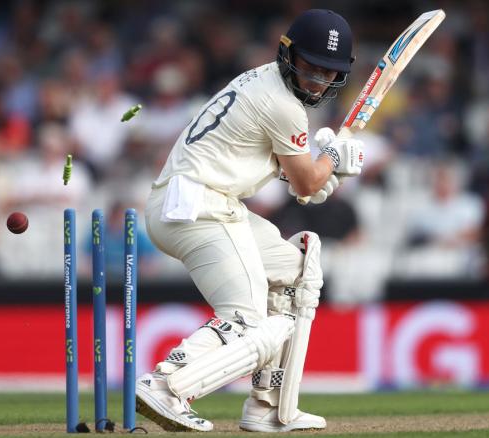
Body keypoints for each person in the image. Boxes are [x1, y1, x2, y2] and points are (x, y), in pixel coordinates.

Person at [136, 9, 364, 433]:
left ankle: (270, 406)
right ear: (287, 55)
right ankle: (166, 384)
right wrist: (334, 161)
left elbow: (301, 185)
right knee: (245, 318)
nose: (316, 81)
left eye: (327, 73)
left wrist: (324, 172)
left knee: (298, 269)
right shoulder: (283, 105)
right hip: (199, 207)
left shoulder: (262, 82)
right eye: (310, 68)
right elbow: (306, 180)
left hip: (199, 201)